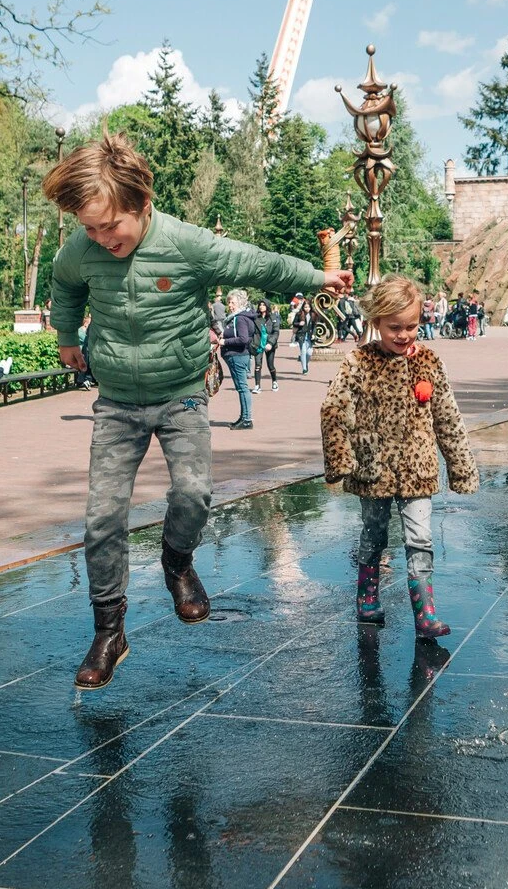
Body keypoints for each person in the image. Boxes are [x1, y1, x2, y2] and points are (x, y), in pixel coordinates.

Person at [45, 133, 348, 690]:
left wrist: (317, 277)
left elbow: (257, 264)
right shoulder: (81, 250)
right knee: (102, 517)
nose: (100, 238)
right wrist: (67, 333)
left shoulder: (186, 244)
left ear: (141, 203)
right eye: (90, 228)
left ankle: (177, 562)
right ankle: (109, 629)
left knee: (192, 493)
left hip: (181, 392)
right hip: (115, 401)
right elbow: (64, 287)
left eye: (110, 225)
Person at [321, 276, 479, 638]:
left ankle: (425, 613)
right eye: (395, 327)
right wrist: (340, 460)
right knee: (374, 535)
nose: (404, 334)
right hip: (372, 467)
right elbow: (333, 409)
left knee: (420, 538)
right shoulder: (358, 361)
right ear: (376, 322)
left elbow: (448, 417)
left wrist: (461, 467)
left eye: (412, 326)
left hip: (418, 466)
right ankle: (367, 597)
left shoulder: (428, 361)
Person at [220, 289, 259, 429]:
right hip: (239, 355)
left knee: (242, 388)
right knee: (241, 388)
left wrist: (225, 342)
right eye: (229, 302)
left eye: (232, 302)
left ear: (240, 303)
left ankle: (247, 419)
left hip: (238, 355)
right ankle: (244, 417)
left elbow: (243, 339)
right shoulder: (240, 317)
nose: (230, 305)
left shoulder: (240, 318)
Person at [253, 298, 282, 393]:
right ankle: (257, 385)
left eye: (263, 305)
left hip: (270, 345)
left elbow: (276, 332)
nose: (261, 307)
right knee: (258, 364)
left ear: (267, 306)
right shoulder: (256, 317)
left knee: (270, 365)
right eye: (260, 305)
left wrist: (270, 343)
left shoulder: (273, 318)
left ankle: (274, 381)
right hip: (258, 344)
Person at [290, 292, 315, 374]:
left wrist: (314, 334)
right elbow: (294, 323)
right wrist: (299, 323)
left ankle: (305, 363)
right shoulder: (299, 314)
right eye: (305, 307)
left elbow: (315, 326)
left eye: (308, 307)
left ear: (310, 307)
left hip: (310, 336)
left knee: (309, 353)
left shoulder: (313, 315)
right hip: (301, 335)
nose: (307, 308)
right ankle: (304, 369)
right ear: (303, 307)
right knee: (303, 351)